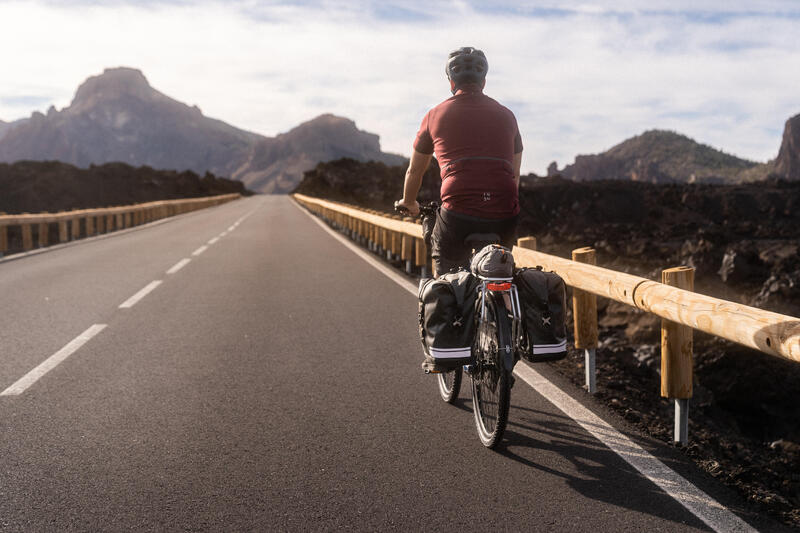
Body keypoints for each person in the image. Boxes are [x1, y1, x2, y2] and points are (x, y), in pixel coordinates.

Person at [396, 46, 523, 277]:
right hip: (505, 208)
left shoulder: (435, 115)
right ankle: (507, 304)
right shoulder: (507, 115)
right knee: (502, 270)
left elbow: (414, 171)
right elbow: (514, 176)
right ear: (483, 82)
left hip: (458, 208)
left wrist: (409, 202)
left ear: (451, 82)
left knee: (447, 277)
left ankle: (448, 296)